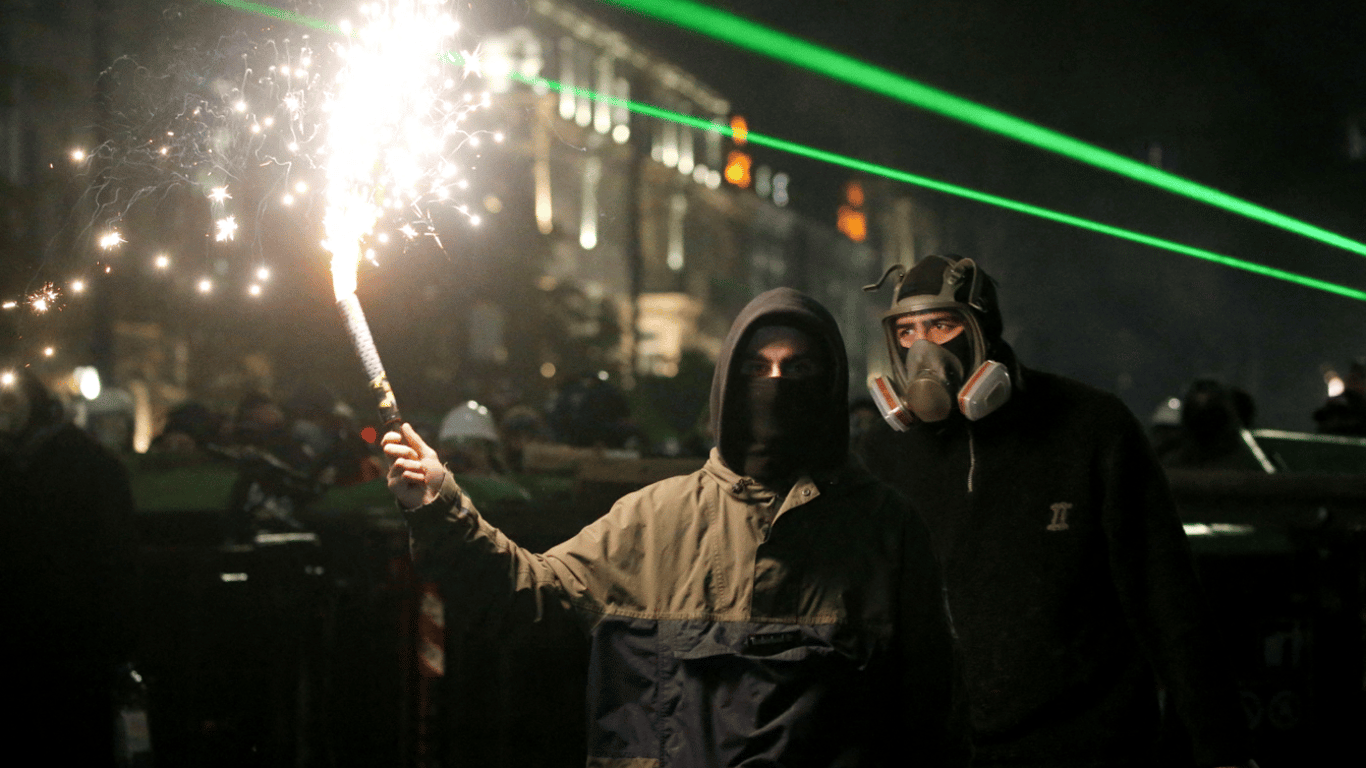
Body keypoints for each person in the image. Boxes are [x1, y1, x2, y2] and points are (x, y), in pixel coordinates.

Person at [383, 287, 971, 767]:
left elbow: (932, 714)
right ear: (728, 386)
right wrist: (439, 503)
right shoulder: (653, 520)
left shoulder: (885, 531)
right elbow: (525, 597)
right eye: (756, 368)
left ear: (828, 384)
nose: (775, 383)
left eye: (798, 368)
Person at [857, 255, 1253, 768]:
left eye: (942, 324)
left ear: (984, 330)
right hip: (945, 750)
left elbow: (1167, 596)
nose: (924, 347)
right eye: (907, 332)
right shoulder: (885, 455)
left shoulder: (1091, 429)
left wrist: (1223, 748)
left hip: (1090, 747)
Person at [0, 368, 140, 766]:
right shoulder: (90, 464)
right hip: (65, 646)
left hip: (67, 646)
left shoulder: (84, 466)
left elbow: (114, 560)